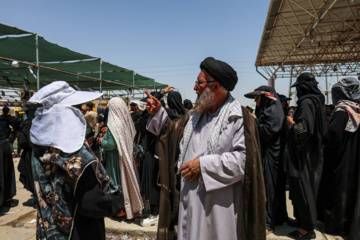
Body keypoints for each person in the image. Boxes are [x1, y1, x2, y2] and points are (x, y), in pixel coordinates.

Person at [146, 57, 266, 240]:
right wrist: (159, 113)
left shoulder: (239, 117)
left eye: (199, 83)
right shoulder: (194, 116)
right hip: (190, 203)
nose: (195, 87)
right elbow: (173, 135)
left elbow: (244, 161)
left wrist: (203, 165)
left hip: (218, 206)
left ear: (215, 86)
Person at [29, 81, 125, 240]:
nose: (82, 112)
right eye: (78, 109)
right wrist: (116, 203)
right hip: (77, 232)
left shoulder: (39, 147)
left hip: (47, 231)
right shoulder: (79, 157)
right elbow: (91, 204)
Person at [317, 77, 360, 240]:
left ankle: (336, 225)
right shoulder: (357, 109)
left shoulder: (342, 111)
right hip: (354, 160)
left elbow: (333, 137)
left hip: (340, 161)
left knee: (337, 191)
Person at [286, 72, 327, 239]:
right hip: (314, 152)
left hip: (304, 154)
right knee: (306, 187)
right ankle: (302, 219)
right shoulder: (317, 102)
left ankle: (307, 228)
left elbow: (304, 129)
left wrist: (291, 123)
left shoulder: (306, 103)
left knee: (304, 189)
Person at [244, 86, 285, 234]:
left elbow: (268, 132)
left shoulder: (274, 110)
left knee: (271, 188)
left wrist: (255, 122)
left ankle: (269, 223)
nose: (256, 101)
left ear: (266, 98)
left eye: (257, 98)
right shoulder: (267, 110)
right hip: (267, 153)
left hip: (272, 155)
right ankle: (279, 218)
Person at [98, 97, 144, 219]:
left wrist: (101, 141)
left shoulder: (114, 123)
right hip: (125, 158)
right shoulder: (125, 120)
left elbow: (110, 144)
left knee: (116, 183)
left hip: (115, 160)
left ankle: (120, 209)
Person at [0, 107, 17, 208]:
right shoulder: (8, 119)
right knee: (5, 173)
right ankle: (7, 198)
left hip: (3, 145)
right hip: (3, 146)